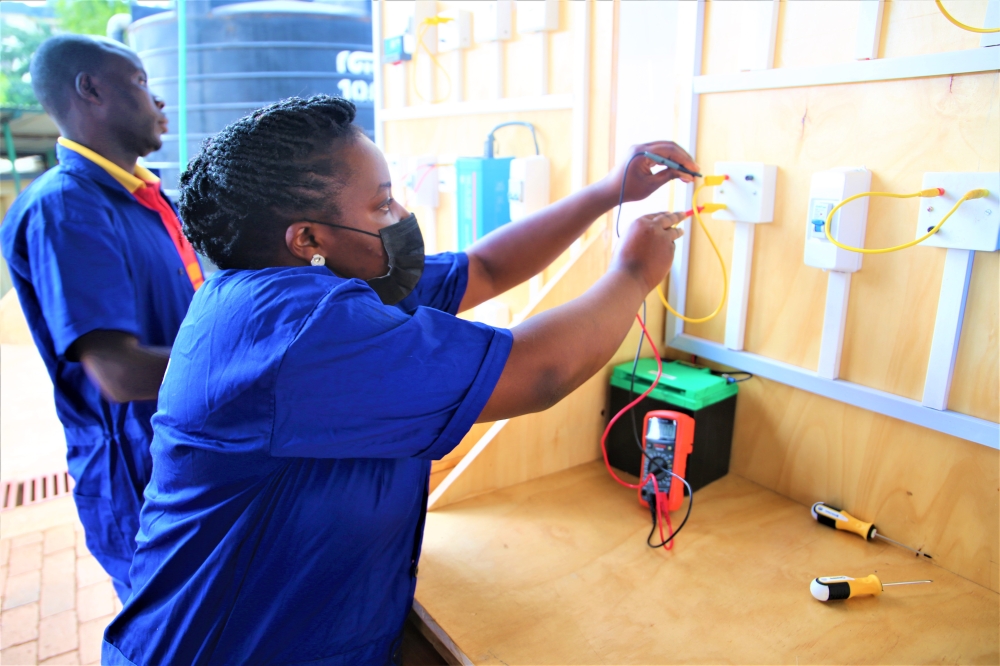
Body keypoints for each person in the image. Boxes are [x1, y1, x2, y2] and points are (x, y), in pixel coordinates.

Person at [102, 95, 694, 665]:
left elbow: (482, 269)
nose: (403, 216)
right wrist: (636, 271)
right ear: (308, 238)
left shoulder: (299, 286)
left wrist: (609, 193)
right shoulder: (302, 328)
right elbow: (540, 372)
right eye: (383, 204)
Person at [0, 35, 203, 600]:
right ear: (90, 89)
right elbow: (119, 373)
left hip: (183, 452)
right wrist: (258, 364)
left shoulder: (147, 199)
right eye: (140, 82)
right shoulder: (68, 210)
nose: (158, 101)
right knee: (170, 630)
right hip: (138, 477)